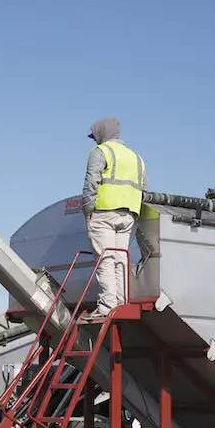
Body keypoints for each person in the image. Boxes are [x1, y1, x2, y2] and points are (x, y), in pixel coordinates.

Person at [79, 117, 147, 322]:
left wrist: (87, 210)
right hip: (129, 215)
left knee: (105, 259)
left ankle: (108, 306)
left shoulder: (100, 152)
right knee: (121, 258)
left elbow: (91, 182)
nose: (95, 141)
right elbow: (144, 189)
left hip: (104, 211)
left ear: (101, 133)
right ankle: (121, 302)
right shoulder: (137, 157)